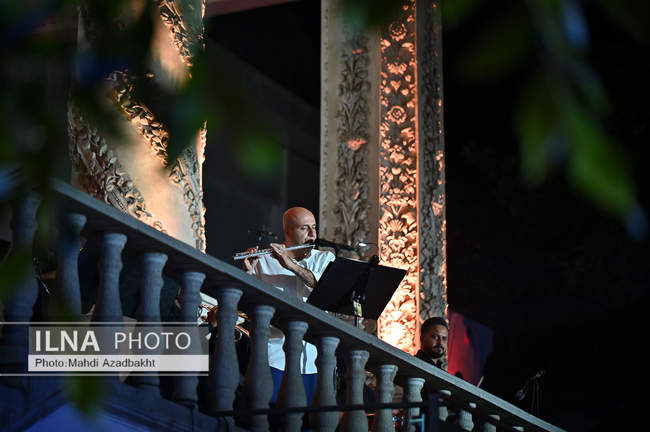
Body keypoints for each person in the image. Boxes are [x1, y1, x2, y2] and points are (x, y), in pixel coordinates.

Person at [243, 207, 335, 407]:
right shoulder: (264, 261)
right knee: (273, 416)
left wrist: (290, 265)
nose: (312, 234)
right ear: (287, 231)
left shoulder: (325, 259)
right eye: (304, 228)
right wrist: (248, 274)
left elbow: (322, 286)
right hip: (275, 357)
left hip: (314, 360)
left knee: (311, 420)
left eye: (314, 228)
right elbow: (250, 304)